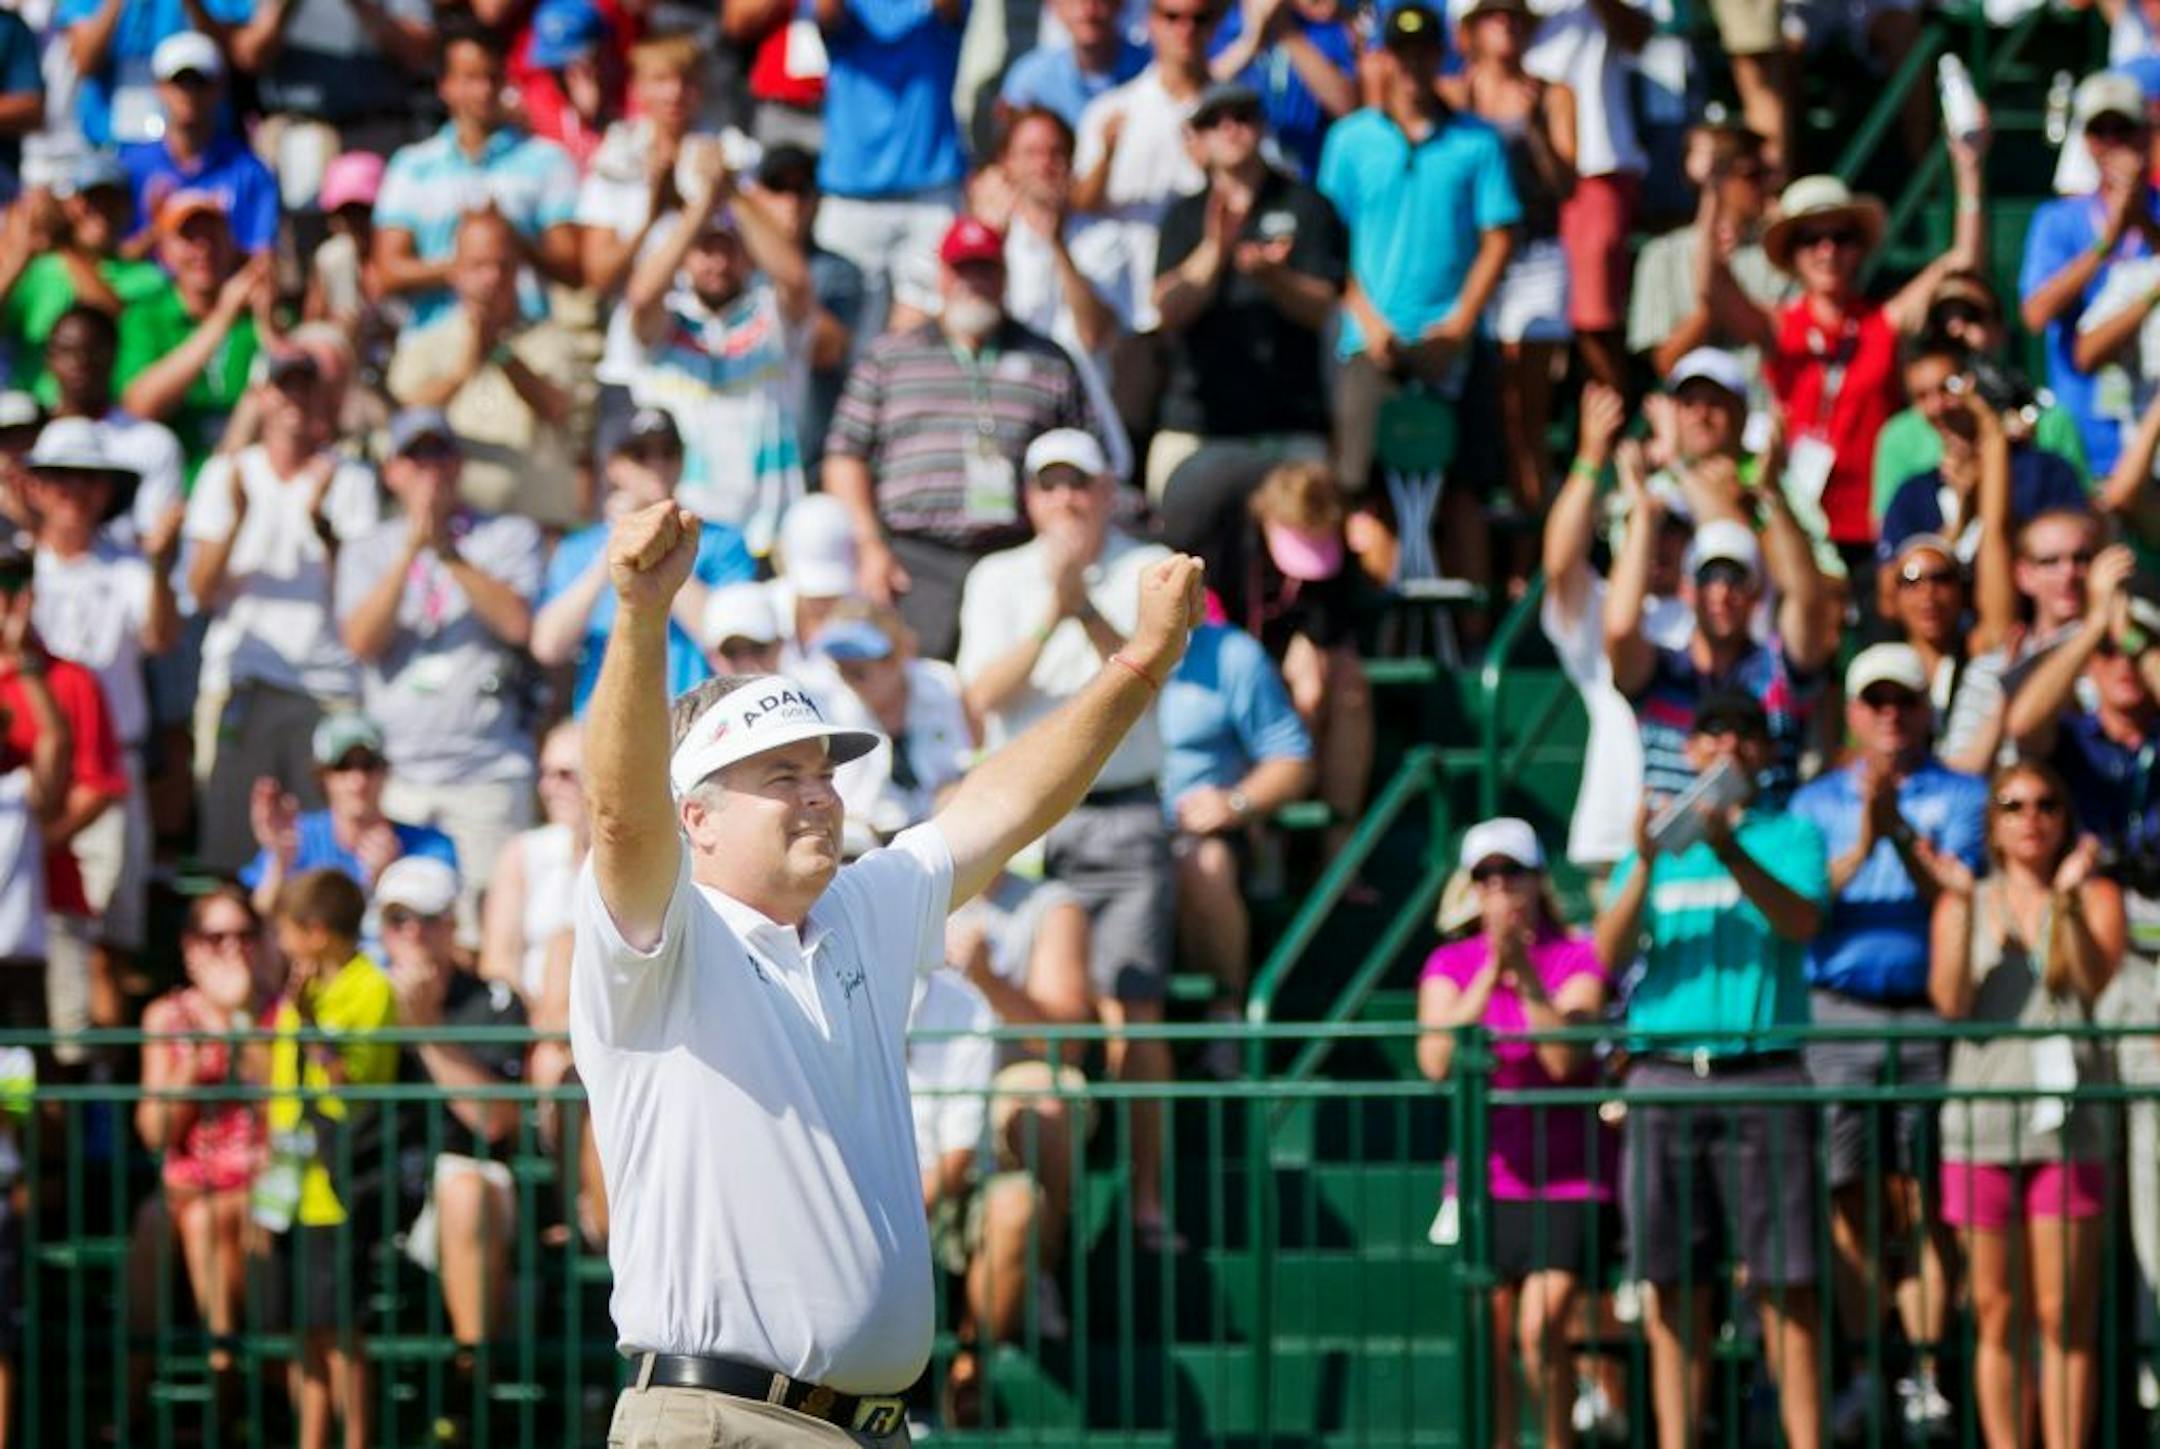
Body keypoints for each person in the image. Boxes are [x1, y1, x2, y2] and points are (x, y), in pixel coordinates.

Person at [569, 480, 1203, 1440]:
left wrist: (1141, 664)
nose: (819, 793)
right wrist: (640, 615)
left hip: (866, 1427)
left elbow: (1004, 803)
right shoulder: (662, 937)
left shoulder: (857, 910)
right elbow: (619, 815)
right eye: (781, 774)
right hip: (718, 1424)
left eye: (824, 769)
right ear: (694, 816)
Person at [956, 428, 1182, 1240]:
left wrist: (1080, 602)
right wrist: (1052, 614)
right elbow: (981, 695)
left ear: (1108, 489)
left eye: (1078, 485)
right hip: (1023, 817)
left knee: (1133, 1013)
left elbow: (1147, 687)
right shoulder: (996, 576)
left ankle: (1145, 1199)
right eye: (1049, 486)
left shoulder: (1145, 571)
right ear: (1027, 497)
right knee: (1020, 1022)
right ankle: (1061, 1216)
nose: (1064, 501)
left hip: (1120, 810)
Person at [1593, 690, 1827, 1449]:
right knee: (1669, 1282)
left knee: (1788, 1282)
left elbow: (1800, 921)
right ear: (1690, 750)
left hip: (1765, 1071)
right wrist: (1647, 860)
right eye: (1713, 731)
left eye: (1747, 734)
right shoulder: (1653, 848)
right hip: (1664, 1076)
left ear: (1765, 753)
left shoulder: (1792, 834)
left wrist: (1728, 848)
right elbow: (1607, 954)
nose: (1728, 745)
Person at [1789, 643, 1983, 1434]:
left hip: (1929, 1013)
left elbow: (1959, 892)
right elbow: (1803, 906)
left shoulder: (1965, 795)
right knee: (1848, 1197)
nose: (1890, 714)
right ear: (1854, 710)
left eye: (1904, 699)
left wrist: (1897, 836)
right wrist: (1867, 844)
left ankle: (1929, 1373)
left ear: (1925, 708)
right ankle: (1874, 1364)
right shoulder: (1813, 803)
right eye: (1876, 701)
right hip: (1837, 1012)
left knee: (1931, 1201)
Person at [1931, 761, 2122, 1449]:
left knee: (2064, 1311)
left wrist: (2065, 901)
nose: (2030, 816)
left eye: (2046, 802)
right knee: (1995, 1308)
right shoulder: (1963, 900)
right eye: (2013, 804)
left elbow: (2094, 981)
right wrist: (1957, 910)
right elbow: (1950, 1000)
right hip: (1982, 1123)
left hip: (2067, 1129)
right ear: (1994, 822)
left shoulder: (2093, 894)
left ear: (2064, 816)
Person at [1701, 140, 1987, 575]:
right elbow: (1711, 288)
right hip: (1798, 519)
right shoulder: (1780, 327)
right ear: (1793, 254)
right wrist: (1712, 198)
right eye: (1811, 239)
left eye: (1841, 237)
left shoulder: (1882, 322)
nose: (1827, 251)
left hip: (1874, 524)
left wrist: (1969, 170)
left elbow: (1962, 261)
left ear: (1858, 248)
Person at [1417, 817, 1613, 1449]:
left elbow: (1563, 1060)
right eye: (1486, 876)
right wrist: (1488, 973)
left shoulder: (1576, 956)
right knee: (1489, 1335)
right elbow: (1436, 1061)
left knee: (1540, 1327)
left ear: (1537, 880)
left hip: (1569, 1179)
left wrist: (1524, 974)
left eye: (1513, 874)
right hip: (1487, 1179)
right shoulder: (1450, 961)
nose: (1501, 888)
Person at [824, 217, 1100, 661]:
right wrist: (870, 544)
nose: (973, 283)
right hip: (916, 559)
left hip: (1015, 554)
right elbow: (844, 457)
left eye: (985, 269)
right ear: (942, 277)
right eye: (962, 270)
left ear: (1005, 276)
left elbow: (1085, 455)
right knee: (921, 687)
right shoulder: (890, 357)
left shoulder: (1047, 359)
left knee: (1014, 688)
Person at [1317, 0, 1516, 589]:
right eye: (1401, 54)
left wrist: (1458, 325)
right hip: (1370, 344)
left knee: (1466, 495)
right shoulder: (1351, 141)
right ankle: (1380, 635)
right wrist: (1368, 322)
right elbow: (1332, 245)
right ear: (1383, 59)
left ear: (1440, 56)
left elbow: (1498, 238)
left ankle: (1474, 647)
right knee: (1367, 496)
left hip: (1452, 343)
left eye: (1424, 52)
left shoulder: (1477, 143)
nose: (1412, 67)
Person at [334, 409, 545, 936]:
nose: (429, 469)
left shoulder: (508, 536)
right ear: (392, 471)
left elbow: (518, 624)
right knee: (400, 926)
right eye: (415, 456)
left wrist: (447, 553)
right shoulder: (367, 548)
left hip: (487, 773)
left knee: (485, 928)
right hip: (400, 775)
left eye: (439, 454)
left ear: (458, 465)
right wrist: (411, 548)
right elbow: (360, 640)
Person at [184, 335, 379, 874]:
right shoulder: (225, 475)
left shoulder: (353, 480)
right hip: (244, 681)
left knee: (324, 860)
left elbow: (362, 598)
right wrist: (238, 520)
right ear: (262, 397)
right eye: (283, 385)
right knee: (231, 849)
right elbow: (198, 593)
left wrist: (323, 528)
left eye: (306, 386)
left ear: (324, 396)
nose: (294, 399)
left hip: (328, 688)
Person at [25, 420, 179, 1032]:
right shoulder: (16, 569)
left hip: (111, 772)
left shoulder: (131, 569)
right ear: (36, 487)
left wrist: (163, 565)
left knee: (102, 949)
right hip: (31, 774)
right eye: (58, 477)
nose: (71, 491)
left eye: (84, 479)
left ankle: (92, 1110)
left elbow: (162, 637)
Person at [376, 855, 526, 1438]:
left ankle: (472, 1380)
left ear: (451, 925)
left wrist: (426, 1030)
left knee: (465, 1185)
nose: (412, 934)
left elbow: (497, 1122)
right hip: (386, 1190)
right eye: (398, 920)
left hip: (481, 1195)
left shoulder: (492, 999)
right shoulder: (360, 996)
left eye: (427, 919)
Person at [1148, 81, 1345, 513]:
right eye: (1215, 121)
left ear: (1261, 127)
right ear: (1196, 139)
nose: (1231, 128)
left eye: (1243, 117)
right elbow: (1167, 311)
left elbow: (1324, 310)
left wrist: (1275, 279)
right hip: (1197, 425)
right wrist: (1214, 253)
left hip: (1287, 423)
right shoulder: (1183, 215)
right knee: (1179, 554)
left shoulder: (1306, 205)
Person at [1605, 441, 1834, 801]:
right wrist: (1644, 516)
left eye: (1736, 578)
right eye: (1708, 577)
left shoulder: (1779, 672)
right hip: (1676, 854)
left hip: (1766, 851)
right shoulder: (1660, 672)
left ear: (1757, 593)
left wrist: (1772, 494)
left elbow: (1808, 602)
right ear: (1686, 590)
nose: (1721, 593)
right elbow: (1619, 629)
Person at [260, 868, 397, 1449]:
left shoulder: (370, 987)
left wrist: (311, 1018)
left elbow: (349, 1084)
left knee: (342, 1331)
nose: (283, 945)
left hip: (339, 1182)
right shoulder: (300, 990)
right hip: (289, 1183)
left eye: (288, 931)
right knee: (303, 1331)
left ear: (316, 932)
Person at [622, 140, 813, 557]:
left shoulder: (772, 317)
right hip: (679, 533)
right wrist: (702, 205)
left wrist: (730, 192)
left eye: (729, 247)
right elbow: (639, 298)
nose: (718, 262)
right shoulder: (666, 321)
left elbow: (797, 279)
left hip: (768, 536)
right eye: (704, 248)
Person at [1542, 386, 1692, 876]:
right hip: (1613, 844)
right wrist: (1589, 458)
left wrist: (1677, 458)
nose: (1659, 539)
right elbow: (1560, 563)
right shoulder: (1600, 606)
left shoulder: (1722, 612)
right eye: (1648, 522)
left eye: (1673, 527)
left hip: (1697, 839)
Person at [1441, 0, 1574, 517]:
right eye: (1495, 15)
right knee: (1482, 407)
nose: (1508, 25)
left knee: (1526, 414)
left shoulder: (1552, 94)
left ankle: (1531, 555)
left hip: (1534, 257)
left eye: (1517, 15)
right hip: (1468, 262)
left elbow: (1566, 184)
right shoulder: (1452, 94)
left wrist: (1535, 125)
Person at [533, 408, 756, 715]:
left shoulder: (723, 541)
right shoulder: (579, 550)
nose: (657, 465)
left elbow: (728, 636)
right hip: (611, 728)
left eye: (669, 452)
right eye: (640, 454)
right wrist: (613, 549)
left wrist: (656, 548)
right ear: (613, 466)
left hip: (701, 727)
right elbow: (548, 646)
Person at [1159, 616, 1312, 1046]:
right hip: (1103, 834)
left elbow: (1292, 759)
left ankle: (1224, 1021)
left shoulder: (1232, 653)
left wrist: (1235, 803)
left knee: (1204, 864)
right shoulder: (1079, 648)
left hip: (1204, 836)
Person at [135, 884, 267, 1378]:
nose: (233, 949)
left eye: (245, 935)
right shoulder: (167, 1017)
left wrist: (241, 1020)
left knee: (204, 1221)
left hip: (259, 1185)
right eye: (217, 938)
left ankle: (224, 1368)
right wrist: (190, 1066)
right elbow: (155, 1132)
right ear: (190, 948)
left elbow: (283, 1107)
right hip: (187, 1184)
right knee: (155, 1222)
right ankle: (133, 1404)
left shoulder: (278, 1011)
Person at [371, 21, 582, 327]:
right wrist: (466, 268)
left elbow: (572, 268)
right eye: (470, 78)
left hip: (523, 335)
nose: (484, 91)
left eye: (492, 78)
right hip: (436, 338)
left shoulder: (547, 159)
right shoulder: (411, 165)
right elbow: (387, 271)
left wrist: (511, 242)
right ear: (444, 85)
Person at [384, 211, 580, 528]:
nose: (492, 277)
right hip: (453, 533)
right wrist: (462, 371)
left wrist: (500, 352)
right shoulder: (423, 343)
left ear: (519, 271)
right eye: (478, 265)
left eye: (503, 265)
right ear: (455, 271)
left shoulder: (552, 339)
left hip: (540, 527)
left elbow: (557, 408)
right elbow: (406, 418)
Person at [904, 964, 1030, 1427]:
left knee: (1017, 1206)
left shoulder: (966, 1003)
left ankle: (967, 1376)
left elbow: (957, 1154)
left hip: (936, 1192)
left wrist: (895, 1217)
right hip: (861, 1195)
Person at [2019, 71, 2160, 479]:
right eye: (2101, 130)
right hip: (2083, 441)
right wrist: (2107, 242)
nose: (2112, 141)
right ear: (2087, 140)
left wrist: (2140, 222)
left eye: (2124, 129)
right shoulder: (2057, 220)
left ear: (2146, 135)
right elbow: (2035, 314)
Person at [809, 0, 968, 333]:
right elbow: (826, 13)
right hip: (850, 198)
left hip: (930, 196)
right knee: (842, 338)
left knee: (922, 339)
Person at [1876, 338, 2088, 569]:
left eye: (1948, 388)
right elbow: (1898, 590)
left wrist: (1990, 487)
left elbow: (2069, 556)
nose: (1937, 406)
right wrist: (1961, 519)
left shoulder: (2045, 473)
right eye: (1922, 396)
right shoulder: (1913, 495)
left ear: (1974, 385)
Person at [241, 712, 459, 928]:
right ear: (322, 776)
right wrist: (279, 862)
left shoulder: (431, 846)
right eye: (343, 766)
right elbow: (260, 919)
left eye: (368, 765)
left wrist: (391, 879)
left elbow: (439, 932)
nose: (358, 781)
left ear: (385, 771)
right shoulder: (294, 836)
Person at [1071, 0, 1217, 323]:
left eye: (1199, 18)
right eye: (1172, 17)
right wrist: (1107, 157)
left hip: (1207, 299)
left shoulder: (1235, 118)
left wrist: (1217, 171)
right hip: (1128, 300)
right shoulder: (1112, 110)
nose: (1186, 29)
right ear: (1151, 22)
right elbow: (1079, 203)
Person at [1627, 123, 1792, 408]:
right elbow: (1666, 362)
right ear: (1718, 179)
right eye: (1753, 175)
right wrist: (1714, 298)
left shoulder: (1783, 251)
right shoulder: (1662, 255)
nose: (1765, 185)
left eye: (1768, 175)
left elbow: (1787, 337)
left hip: (1767, 414)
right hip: (1697, 425)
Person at [117, 194, 277, 479]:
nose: (202, 249)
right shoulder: (145, 316)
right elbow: (139, 407)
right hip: (173, 484)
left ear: (230, 244)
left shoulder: (256, 314)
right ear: (165, 251)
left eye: (213, 237)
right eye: (189, 238)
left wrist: (268, 322)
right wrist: (221, 320)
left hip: (247, 483)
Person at [0, 155, 167, 410]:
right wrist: (21, 249)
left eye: (111, 201)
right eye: (90, 200)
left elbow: (111, 317)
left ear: (128, 209)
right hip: (33, 418)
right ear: (72, 206)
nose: (100, 211)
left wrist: (63, 242)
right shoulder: (40, 270)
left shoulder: (147, 278)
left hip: (106, 420)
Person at [814, 606, 975, 853]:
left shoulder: (942, 683)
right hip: (860, 839)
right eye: (840, 665)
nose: (848, 676)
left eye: (860, 669)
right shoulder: (825, 703)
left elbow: (967, 757)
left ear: (900, 654)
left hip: (938, 826)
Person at [118, 33, 278, 255]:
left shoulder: (250, 171)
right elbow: (115, 258)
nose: (189, 93)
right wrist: (160, 229)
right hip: (147, 289)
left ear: (220, 87)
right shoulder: (130, 167)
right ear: (160, 87)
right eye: (180, 82)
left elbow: (261, 257)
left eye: (200, 82)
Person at [480, 719, 586, 1007]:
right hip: (532, 1024)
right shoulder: (522, 852)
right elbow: (499, 962)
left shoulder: (629, 859)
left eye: (565, 774)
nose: (548, 787)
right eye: (544, 773)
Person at [1204, 0, 1356, 183]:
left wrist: (1286, 31)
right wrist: (1249, 43)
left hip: (1307, 182)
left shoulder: (1320, 28)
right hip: (1240, 183)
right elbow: (1194, 97)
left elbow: (1347, 106)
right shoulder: (1217, 25)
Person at [998, 0, 1148, 128]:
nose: (1089, 11)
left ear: (1120, 3)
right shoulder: (1030, 81)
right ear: (1053, 5)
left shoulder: (1152, 68)